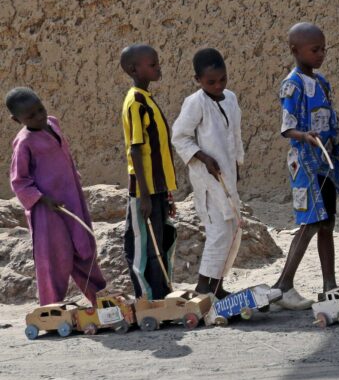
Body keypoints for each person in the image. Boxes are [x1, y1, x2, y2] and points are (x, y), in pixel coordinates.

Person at [7, 87, 107, 305]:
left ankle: (101, 299)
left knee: (84, 247)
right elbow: (19, 181)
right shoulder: (24, 143)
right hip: (47, 211)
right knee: (55, 257)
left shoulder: (53, 123)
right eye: (31, 116)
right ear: (17, 120)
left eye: (40, 110)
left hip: (71, 201)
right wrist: (43, 199)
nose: (39, 117)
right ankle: (51, 309)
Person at [272, 22, 339, 309]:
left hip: (325, 164)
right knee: (309, 222)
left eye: (324, 48)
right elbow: (287, 128)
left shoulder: (322, 81)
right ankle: (283, 285)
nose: (321, 54)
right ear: (295, 51)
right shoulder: (292, 84)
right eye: (315, 50)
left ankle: (330, 285)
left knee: (327, 223)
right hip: (305, 164)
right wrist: (306, 137)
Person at [172, 48, 244, 299]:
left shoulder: (231, 99)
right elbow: (180, 136)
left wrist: (236, 165)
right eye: (211, 81)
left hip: (227, 177)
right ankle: (204, 286)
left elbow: (234, 136)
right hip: (207, 178)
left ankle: (217, 284)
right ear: (198, 80)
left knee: (234, 228)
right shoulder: (195, 103)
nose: (218, 85)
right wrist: (203, 157)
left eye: (222, 79)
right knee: (219, 231)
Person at [120, 44, 177, 300]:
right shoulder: (135, 102)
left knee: (160, 243)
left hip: (158, 189)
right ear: (134, 69)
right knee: (143, 246)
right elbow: (135, 151)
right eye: (152, 64)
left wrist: (166, 192)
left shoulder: (147, 99)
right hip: (144, 191)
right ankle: (146, 298)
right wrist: (143, 195)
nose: (158, 67)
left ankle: (162, 294)